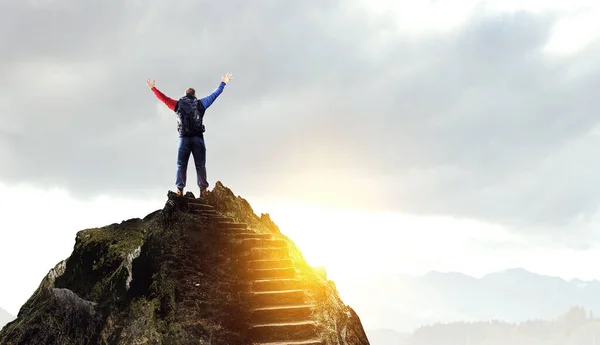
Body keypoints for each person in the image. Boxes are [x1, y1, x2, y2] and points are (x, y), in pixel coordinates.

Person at [146, 73, 233, 198]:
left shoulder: (177, 104)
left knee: (181, 165)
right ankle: (203, 190)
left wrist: (153, 88)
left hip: (184, 139)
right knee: (200, 165)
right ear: (195, 94)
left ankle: (180, 190)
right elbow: (214, 95)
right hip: (198, 138)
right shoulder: (201, 104)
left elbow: (164, 99)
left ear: (185, 94)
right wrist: (223, 83)